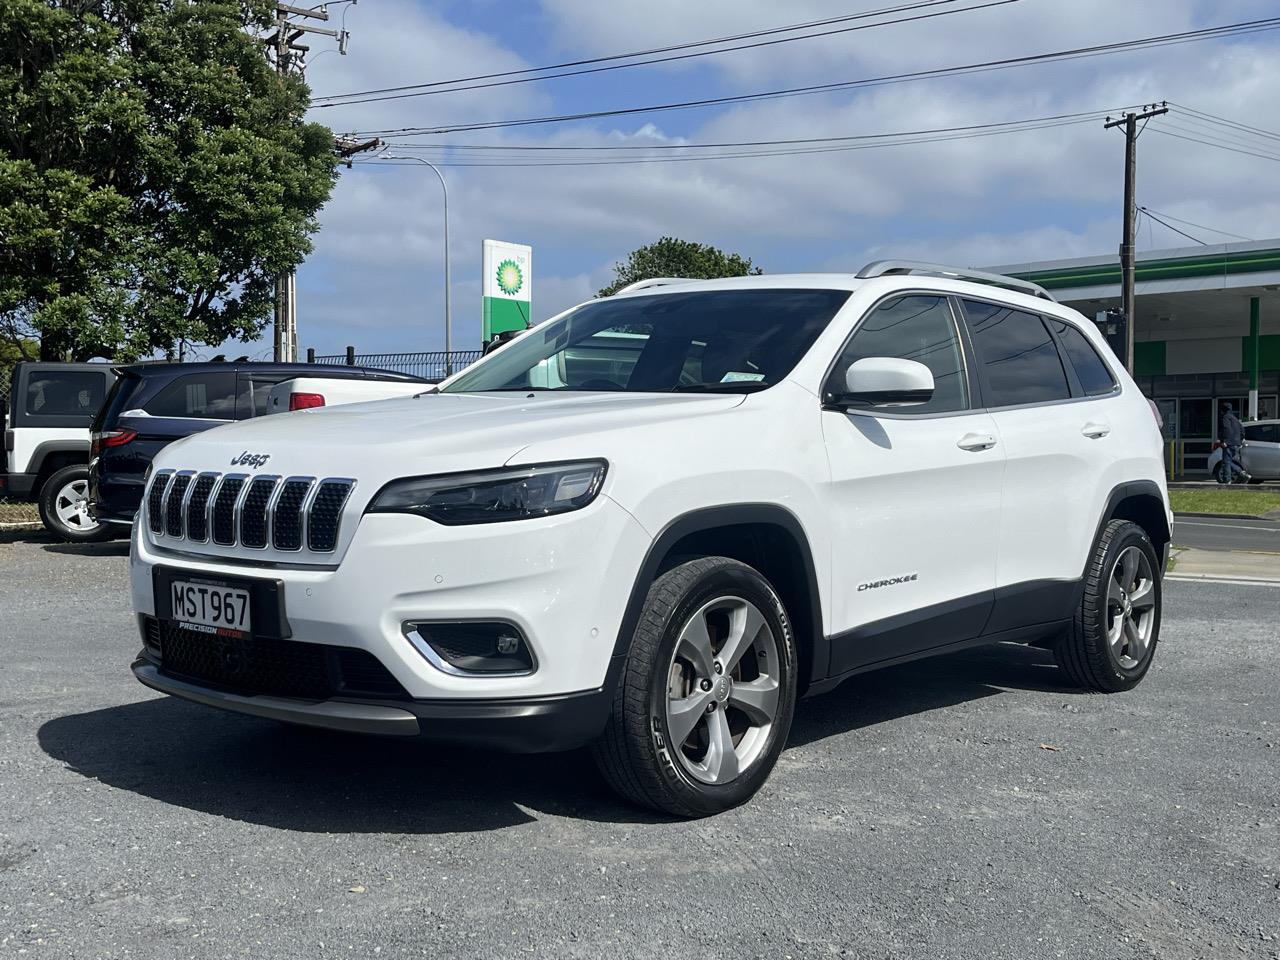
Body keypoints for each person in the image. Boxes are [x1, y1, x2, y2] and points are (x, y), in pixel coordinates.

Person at [1218, 402, 1249, 483]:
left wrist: (1223, 440)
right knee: (1228, 461)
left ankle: (1227, 480)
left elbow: (1226, 428)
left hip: (1228, 443)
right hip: (1236, 444)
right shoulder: (1235, 419)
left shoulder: (1225, 417)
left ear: (1223, 410)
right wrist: (1241, 440)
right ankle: (1242, 473)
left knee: (1226, 462)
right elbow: (1242, 430)